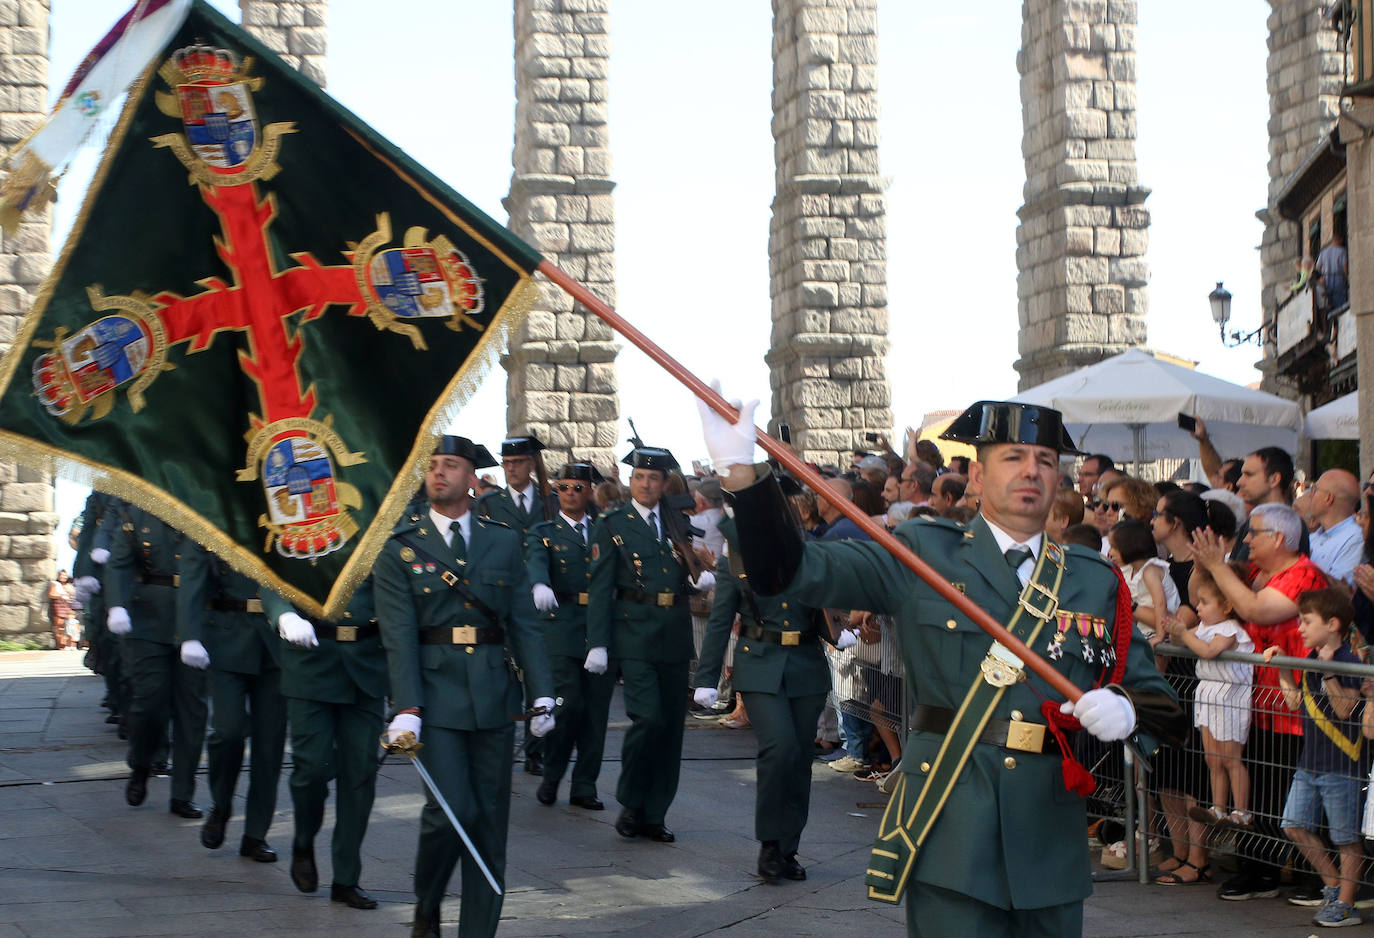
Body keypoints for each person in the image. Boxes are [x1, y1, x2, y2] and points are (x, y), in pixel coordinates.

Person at [698, 394, 1183, 937]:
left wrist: (1125, 708)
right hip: (953, 815)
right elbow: (794, 572)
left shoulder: (1092, 579)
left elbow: (1161, 702)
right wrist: (742, 475)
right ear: (977, 474)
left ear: (1060, 479)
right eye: (1013, 457)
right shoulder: (923, 553)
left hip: (1048, 836)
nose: (1031, 471)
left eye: (1045, 460)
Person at [375, 435, 555, 938]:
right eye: (433, 466)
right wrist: (406, 706)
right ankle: (426, 902)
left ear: (472, 478)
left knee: (489, 821)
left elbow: (523, 623)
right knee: (450, 811)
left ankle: (478, 930)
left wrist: (542, 692)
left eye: (449, 466)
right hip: (435, 699)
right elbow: (398, 635)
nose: (438, 473)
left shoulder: (502, 539)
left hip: (493, 697)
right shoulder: (401, 545)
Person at [1192, 502, 1331, 902]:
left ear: (1279, 539)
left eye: (1254, 533)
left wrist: (1219, 565)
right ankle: (1258, 870)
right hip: (1258, 704)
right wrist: (1206, 564)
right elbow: (1206, 595)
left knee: (1302, 796)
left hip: (1298, 707)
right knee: (1262, 793)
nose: (1246, 540)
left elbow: (1257, 610)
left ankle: (1315, 878)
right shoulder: (1254, 572)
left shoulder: (1303, 574)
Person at [586, 443, 715, 844]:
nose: (645, 484)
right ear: (630, 481)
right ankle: (630, 801)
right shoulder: (612, 524)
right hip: (634, 634)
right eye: (639, 477)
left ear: (663, 484)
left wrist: (700, 574)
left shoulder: (678, 522)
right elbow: (601, 585)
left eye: (653, 478)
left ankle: (654, 813)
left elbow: (689, 570)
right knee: (647, 720)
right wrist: (598, 642)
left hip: (673, 635)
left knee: (671, 729)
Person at [692, 511, 831, 883]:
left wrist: (843, 623)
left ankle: (788, 847)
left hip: (805, 665)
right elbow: (721, 618)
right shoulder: (737, 559)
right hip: (760, 664)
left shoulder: (809, 551)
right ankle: (769, 843)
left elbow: (831, 599)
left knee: (800, 757)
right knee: (779, 747)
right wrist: (706, 677)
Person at [261, 576, 388, 910]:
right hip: (311, 662)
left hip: (368, 664)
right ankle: (303, 841)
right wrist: (284, 615)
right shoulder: (305, 523)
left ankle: (347, 878)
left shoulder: (384, 528)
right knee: (312, 769)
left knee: (360, 776)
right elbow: (271, 576)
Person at [179, 543, 287, 861]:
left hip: (276, 641)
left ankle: (256, 833)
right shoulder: (215, 510)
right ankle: (221, 804)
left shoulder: (284, 505)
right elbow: (193, 573)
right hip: (226, 634)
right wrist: (189, 634)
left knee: (270, 744)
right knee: (228, 730)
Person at [1267, 588, 1365, 927]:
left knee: (1345, 838)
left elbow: (1345, 709)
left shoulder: (1349, 662)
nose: (1300, 628)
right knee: (1293, 825)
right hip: (1310, 762)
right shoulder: (1311, 657)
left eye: (1307, 621)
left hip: (1342, 765)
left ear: (1333, 624)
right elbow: (1294, 702)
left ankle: (1347, 904)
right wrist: (1282, 669)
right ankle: (1334, 887)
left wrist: (1327, 671)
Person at [104, 507, 208, 814]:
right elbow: (120, 563)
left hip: (199, 619)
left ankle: (182, 793)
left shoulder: (204, 508)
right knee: (150, 701)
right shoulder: (137, 512)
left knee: (192, 710)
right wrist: (117, 605)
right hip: (148, 619)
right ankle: (141, 763)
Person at [526, 463, 617, 811]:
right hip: (561, 628)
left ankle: (584, 786)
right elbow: (534, 558)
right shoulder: (544, 531)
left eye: (578, 488)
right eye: (563, 487)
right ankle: (552, 775)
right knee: (567, 706)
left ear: (589, 492)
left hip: (600, 629)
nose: (570, 494)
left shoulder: (605, 531)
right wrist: (539, 582)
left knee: (595, 713)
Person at [478, 434, 556, 776]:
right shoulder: (490, 504)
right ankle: (504, 741)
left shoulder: (550, 501)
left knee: (541, 675)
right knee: (508, 674)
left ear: (531, 465)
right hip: (504, 598)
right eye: (507, 464)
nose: (511, 469)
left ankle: (535, 750)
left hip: (543, 599)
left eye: (518, 463)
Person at [1171, 567, 1253, 833]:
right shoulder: (1204, 626)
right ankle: (1218, 807)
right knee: (1213, 758)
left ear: (1227, 606)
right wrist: (1176, 630)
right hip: (1207, 695)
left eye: (1205, 603)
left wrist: (1184, 634)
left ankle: (1242, 811)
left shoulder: (1230, 629)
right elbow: (1182, 641)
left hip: (1230, 696)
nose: (1199, 608)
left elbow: (1209, 651)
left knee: (1231, 759)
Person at [1108, 519, 1178, 644]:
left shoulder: (1150, 570)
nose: (1110, 552)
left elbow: (1160, 603)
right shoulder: (1131, 570)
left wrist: (1160, 636)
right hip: (1145, 629)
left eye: (1114, 547)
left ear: (1129, 546)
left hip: (1159, 630)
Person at [1297, 469, 1363, 588]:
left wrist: (1300, 565)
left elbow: (1336, 592)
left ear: (1328, 498)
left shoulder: (1355, 540)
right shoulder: (1314, 535)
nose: (1310, 495)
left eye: (1314, 490)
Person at [1316, 231, 1349, 310]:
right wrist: (1347, 277)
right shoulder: (1342, 251)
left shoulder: (1323, 252)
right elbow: (1345, 267)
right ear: (1340, 240)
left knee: (1328, 305)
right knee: (1340, 307)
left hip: (1326, 281)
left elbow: (1317, 267)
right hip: (1338, 280)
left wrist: (1320, 278)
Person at [48, 570, 75, 650]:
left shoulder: (67, 585)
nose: (64, 577)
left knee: (67, 625)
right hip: (58, 604)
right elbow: (51, 594)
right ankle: (60, 645)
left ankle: (66, 644)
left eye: (65, 575)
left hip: (66, 605)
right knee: (59, 625)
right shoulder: (55, 584)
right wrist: (61, 595)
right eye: (62, 575)